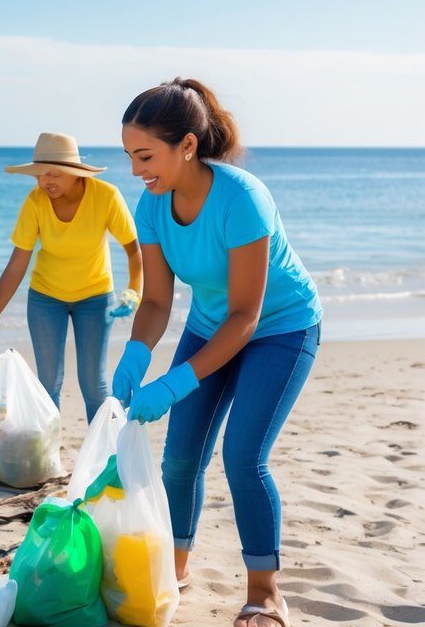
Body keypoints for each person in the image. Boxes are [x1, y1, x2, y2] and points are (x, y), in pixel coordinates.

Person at [114, 78, 321, 627]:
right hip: (210, 325)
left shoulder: (242, 198)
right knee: (180, 457)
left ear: (186, 145)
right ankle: (175, 568)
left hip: (281, 327)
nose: (135, 170)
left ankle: (265, 592)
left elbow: (246, 316)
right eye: (130, 156)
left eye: (145, 156)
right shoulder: (152, 204)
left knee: (243, 456)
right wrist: (136, 353)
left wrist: (177, 381)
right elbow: (156, 300)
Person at [0, 132, 142, 422]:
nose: (44, 182)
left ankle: (103, 447)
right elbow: (17, 264)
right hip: (45, 298)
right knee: (48, 384)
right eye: (39, 174)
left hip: (95, 296)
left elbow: (134, 251)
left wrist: (134, 292)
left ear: (75, 172)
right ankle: (49, 448)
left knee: (94, 385)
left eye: (52, 174)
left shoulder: (106, 197)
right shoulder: (35, 201)